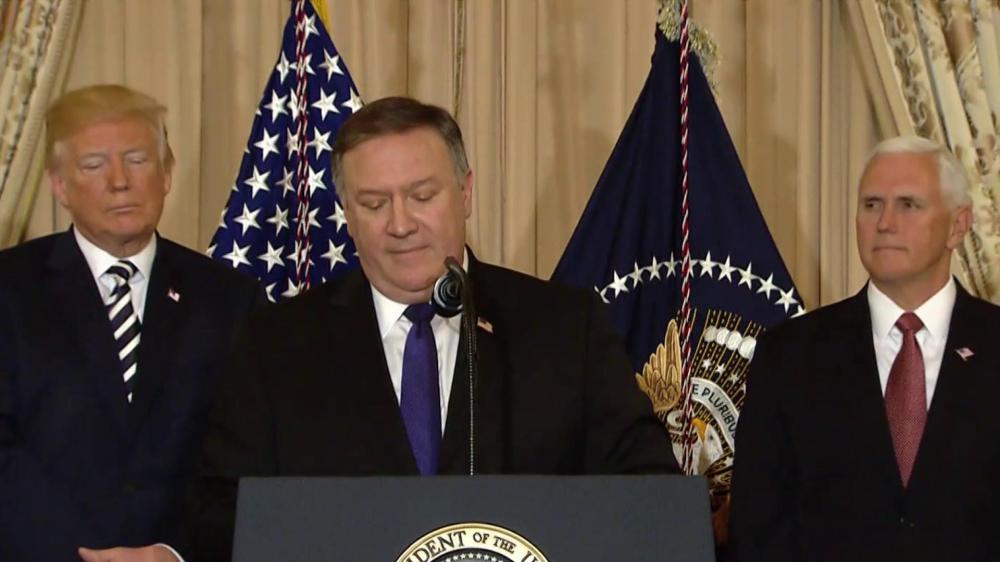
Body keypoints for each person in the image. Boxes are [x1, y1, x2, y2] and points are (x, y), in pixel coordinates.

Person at [91, 96, 679, 562]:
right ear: (347, 213)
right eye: (374, 204)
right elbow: (224, 508)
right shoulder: (278, 344)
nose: (400, 224)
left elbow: (646, 491)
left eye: (421, 196)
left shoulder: (563, 327)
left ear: (466, 193)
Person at [0, 85, 265, 562]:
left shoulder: (230, 300)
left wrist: (173, 552)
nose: (119, 181)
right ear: (60, 186)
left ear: (167, 174)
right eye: (94, 165)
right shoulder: (9, 290)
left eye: (137, 160)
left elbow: (245, 461)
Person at [727, 136, 1000, 561]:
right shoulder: (789, 356)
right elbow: (757, 529)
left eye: (908, 204)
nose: (885, 222)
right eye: (872, 204)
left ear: (958, 226)